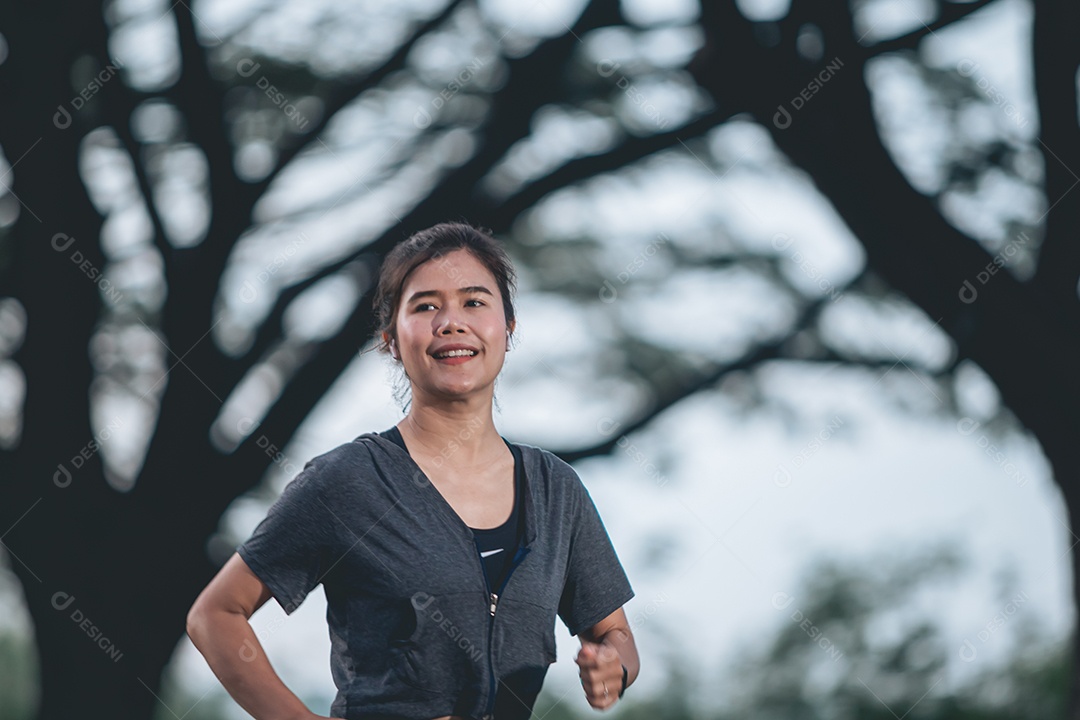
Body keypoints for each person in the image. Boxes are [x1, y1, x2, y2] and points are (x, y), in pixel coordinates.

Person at [186, 222, 639, 720]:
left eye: (474, 302)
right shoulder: (347, 480)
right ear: (391, 341)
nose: (451, 322)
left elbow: (613, 634)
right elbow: (215, 615)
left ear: (507, 329)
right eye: (425, 306)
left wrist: (613, 664)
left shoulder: (557, 491)